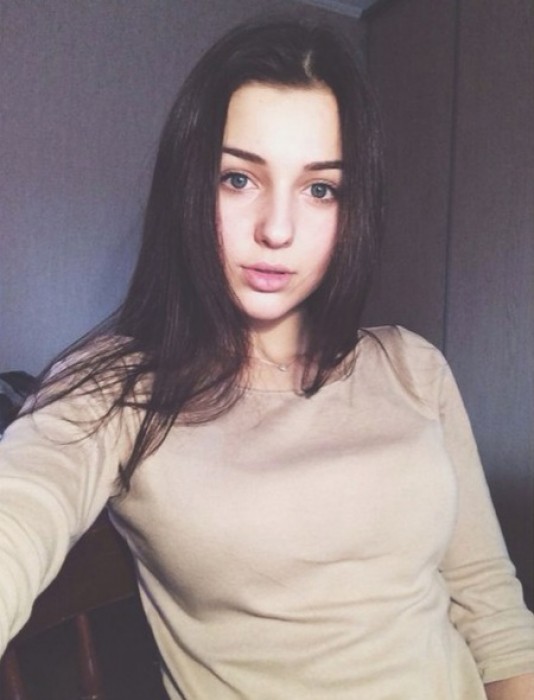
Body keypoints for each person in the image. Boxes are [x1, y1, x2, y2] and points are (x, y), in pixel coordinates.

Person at [0, 17, 533, 700]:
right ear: (189, 185)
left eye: (320, 189)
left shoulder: (412, 365)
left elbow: (489, 605)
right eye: (238, 178)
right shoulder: (118, 389)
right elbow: (21, 507)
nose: (277, 229)